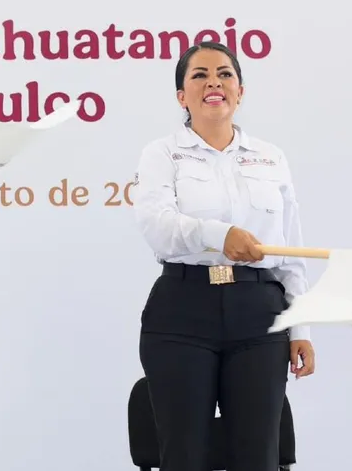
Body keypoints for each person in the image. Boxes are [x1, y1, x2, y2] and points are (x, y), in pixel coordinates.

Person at [131, 40, 316, 471]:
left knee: (259, 456)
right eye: (200, 75)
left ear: (240, 91)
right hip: (182, 311)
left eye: (225, 74)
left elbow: (290, 252)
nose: (213, 83)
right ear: (182, 96)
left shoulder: (270, 157)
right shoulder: (161, 153)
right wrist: (220, 235)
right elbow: (157, 226)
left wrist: (301, 327)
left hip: (260, 313)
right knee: (184, 456)